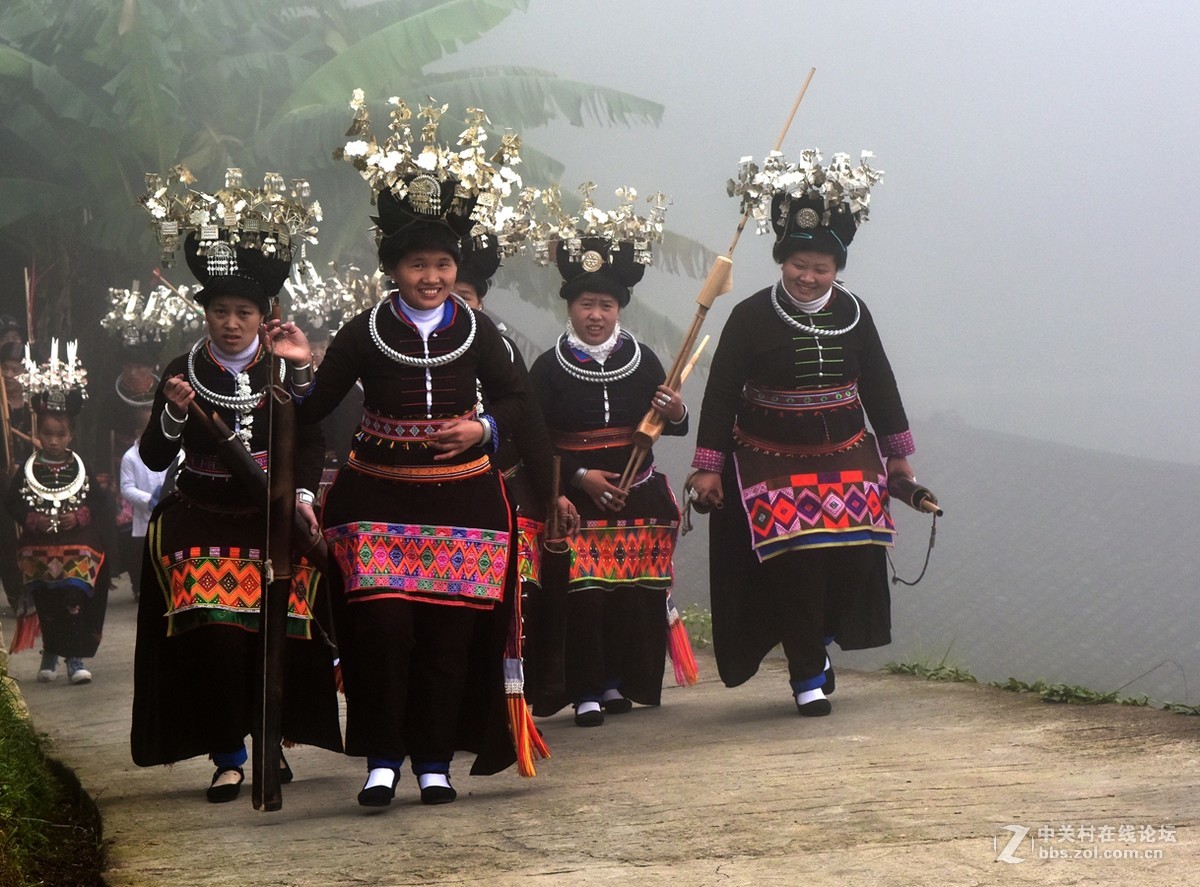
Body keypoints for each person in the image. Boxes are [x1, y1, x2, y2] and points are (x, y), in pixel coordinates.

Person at [267, 97, 574, 808]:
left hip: (466, 500)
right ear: (394, 267)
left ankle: (434, 759)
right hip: (376, 499)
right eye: (415, 264)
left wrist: (485, 431)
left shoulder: (482, 331)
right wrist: (295, 363)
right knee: (382, 630)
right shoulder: (364, 329)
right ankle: (381, 756)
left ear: (454, 265)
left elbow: (520, 404)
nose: (430, 277)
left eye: (441, 263)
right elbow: (313, 410)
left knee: (446, 639)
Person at [130, 167, 342, 803]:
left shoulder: (285, 367)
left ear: (263, 314)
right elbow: (153, 453)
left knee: (272, 631)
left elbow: (311, 441)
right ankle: (227, 754)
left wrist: (303, 498)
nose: (230, 323)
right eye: (219, 311)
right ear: (205, 314)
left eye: (243, 312)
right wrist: (172, 409)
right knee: (217, 638)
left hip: (272, 519)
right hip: (201, 516)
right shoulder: (181, 368)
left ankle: (270, 734)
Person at [687, 150, 915, 716]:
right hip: (770, 457)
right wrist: (708, 464)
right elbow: (719, 394)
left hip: (848, 451)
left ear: (837, 269)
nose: (809, 278)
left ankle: (819, 642)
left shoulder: (856, 313)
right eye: (799, 265)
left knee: (853, 555)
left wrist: (900, 459)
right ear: (782, 261)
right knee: (797, 563)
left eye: (822, 268)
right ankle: (806, 673)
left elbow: (880, 387)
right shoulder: (749, 316)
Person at [527, 222, 688, 728]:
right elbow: (534, 439)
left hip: (637, 497)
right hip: (579, 502)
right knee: (584, 598)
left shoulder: (644, 362)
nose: (595, 316)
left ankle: (620, 680)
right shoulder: (549, 368)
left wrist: (676, 410)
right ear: (569, 308)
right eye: (585, 305)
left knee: (630, 597)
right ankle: (585, 690)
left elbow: (672, 427)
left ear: (619, 309)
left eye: (606, 306)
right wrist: (579, 477)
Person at [5, 344, 110, 685]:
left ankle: (74, 657)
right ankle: (50, 653)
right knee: (47, 601)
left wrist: (78, 516)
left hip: (77, 545)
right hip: (38, 546)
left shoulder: (80, 466)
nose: (53, 440)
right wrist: (32, 519)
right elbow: (12, 504)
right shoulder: (28, 469)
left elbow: (99, 503)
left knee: (73, 596)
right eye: (47, 434)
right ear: (38, 435)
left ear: (71, 435)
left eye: (60, 434)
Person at [118, 406, 170, 601]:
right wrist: (149, 499)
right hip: (144, 517)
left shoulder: (175, 452)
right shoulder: (130, 457)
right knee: (144, 554)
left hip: (169, 511)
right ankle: (141, 589)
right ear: (139, 432)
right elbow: (126, 488)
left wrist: (169, 495)